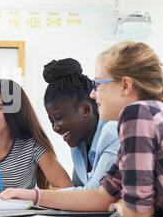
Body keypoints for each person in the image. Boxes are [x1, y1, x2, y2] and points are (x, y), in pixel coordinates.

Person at [0, 42, 163, 217]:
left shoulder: (137, 114)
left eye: (98, 85)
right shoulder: (145, 115)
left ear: (125, 86)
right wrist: (32, 195)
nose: (92, 94)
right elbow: (102, 195)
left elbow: (138, 212)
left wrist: (119, 205)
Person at [43, 58, 120, 189]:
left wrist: (40, 196)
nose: (55, 127)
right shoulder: (78, 145)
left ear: (86, 110)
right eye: (52, 121)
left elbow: (94, 194)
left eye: (59, 117)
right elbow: (78, 188)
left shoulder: (113, 133)